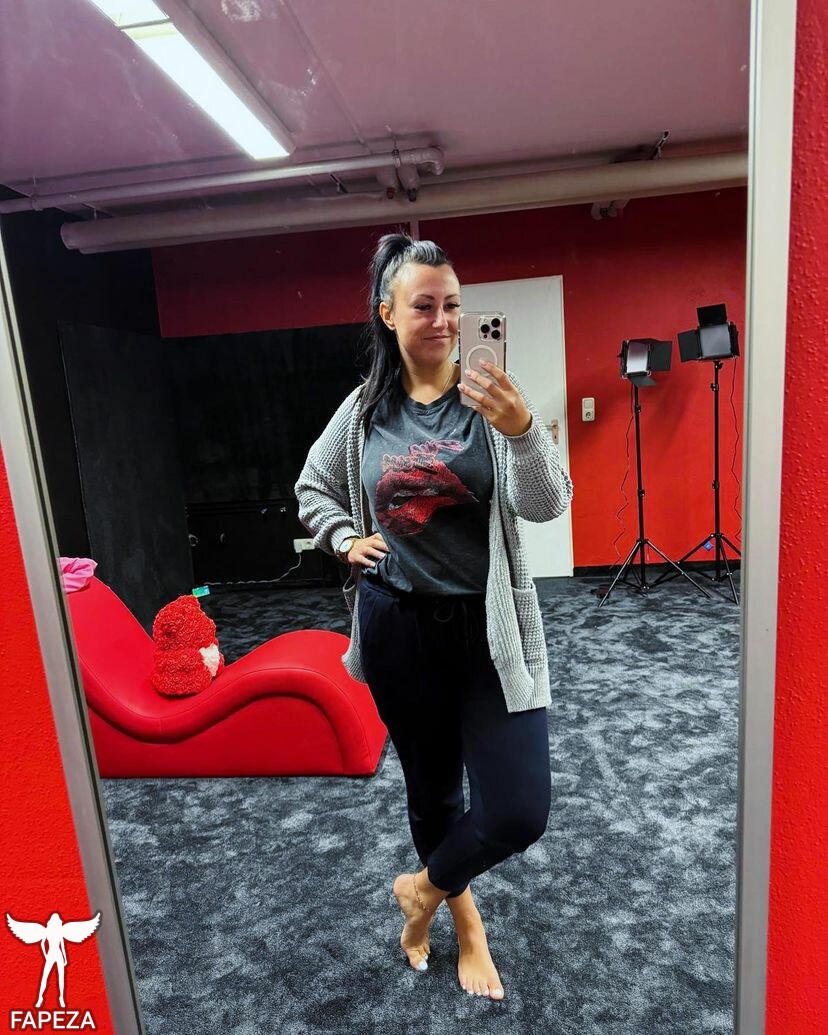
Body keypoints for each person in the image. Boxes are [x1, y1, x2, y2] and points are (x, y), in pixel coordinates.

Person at [294, 232, 574, 1001]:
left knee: (518, 809)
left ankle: (419, 889)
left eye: (453, 304)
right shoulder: (364, 412)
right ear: (387, 313)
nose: (444, 320)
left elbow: (548, 504)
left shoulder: (487, 399)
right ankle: (465, 925)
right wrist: (343, 537)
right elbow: (312, 487)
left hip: (487, 632)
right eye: (425, 306)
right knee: (433, 793)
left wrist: (523, 430)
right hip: (397, 630)